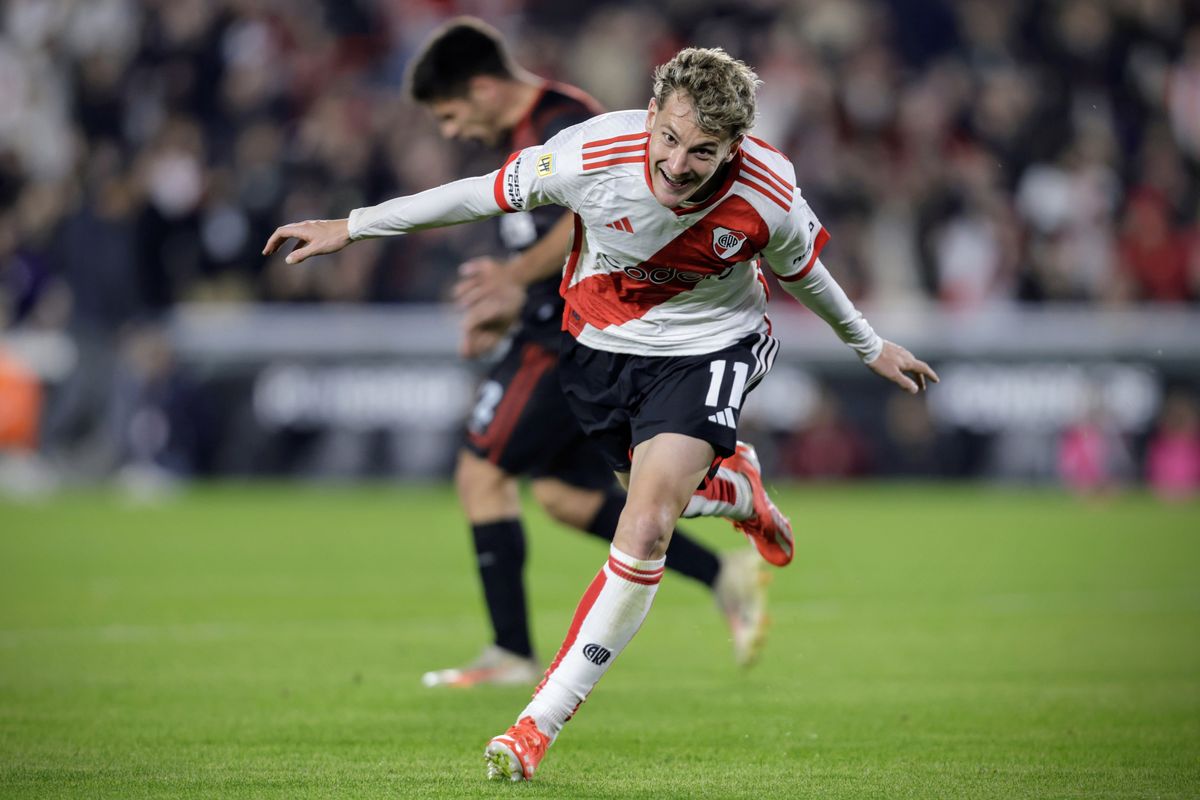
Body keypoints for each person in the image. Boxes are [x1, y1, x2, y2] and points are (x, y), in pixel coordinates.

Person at [264, 46, 938, 782]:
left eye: (703, 151)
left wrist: (869, 346)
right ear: (651, 116)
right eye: (669, 138)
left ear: (734, 147)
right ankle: (738, 489)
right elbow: (476, 195)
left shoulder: (770, 190)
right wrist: (353, 226)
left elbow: (804, 272)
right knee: (636, 498)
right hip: (597, 351)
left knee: (643, 526)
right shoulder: (589, 152)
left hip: (709, 349)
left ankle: (535, 725)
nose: (678, 164)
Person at [407, 19, 771, 686]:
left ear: (483, 90)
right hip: (555, 326)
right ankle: (721, 571)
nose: (452, 132)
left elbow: (591, 217)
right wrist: (508, 301)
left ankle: (510, 653)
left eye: (451, 115)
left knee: (480, 474)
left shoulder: (564, 121)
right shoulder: (526, 131)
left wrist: (513, 282)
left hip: (571, 335)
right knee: (566, 496)